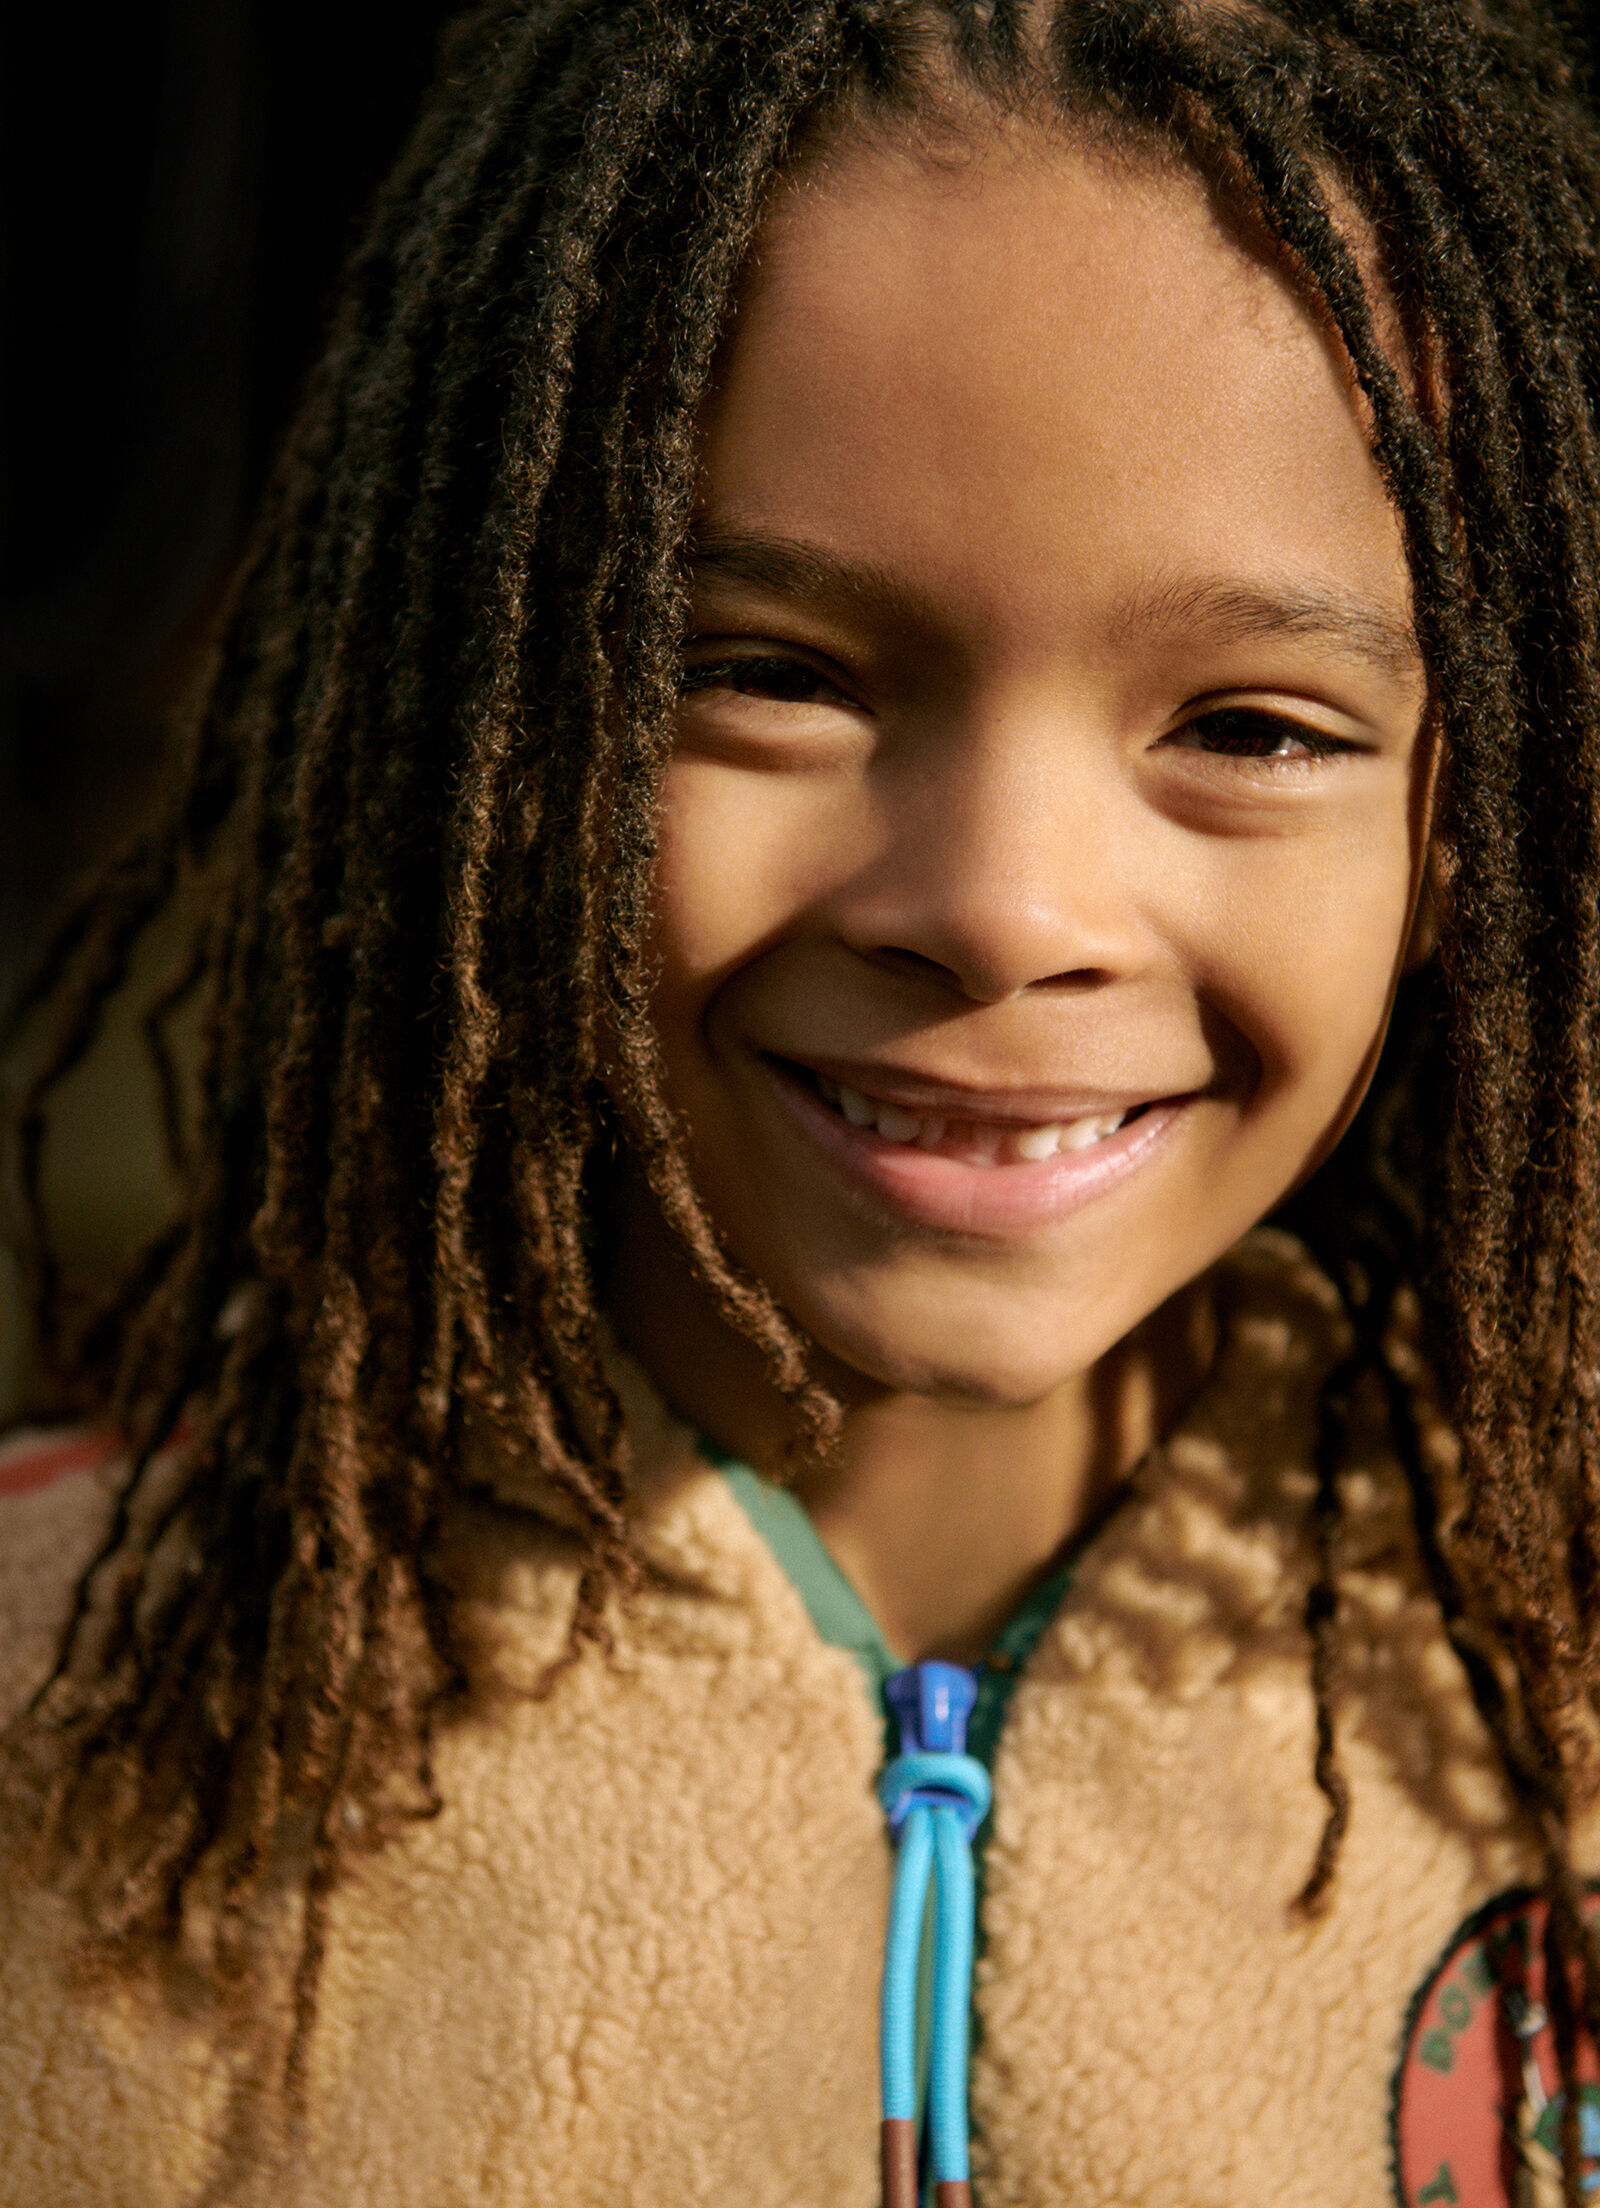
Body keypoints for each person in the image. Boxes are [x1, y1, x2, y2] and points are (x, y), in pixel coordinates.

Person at [3, 0, 1600, 2201]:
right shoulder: (54, 1736)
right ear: (484, 715)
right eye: (762, 673)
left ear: (1469, 825)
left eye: (1246, 727)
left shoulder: (1550, 1727)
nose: (1003, 910)